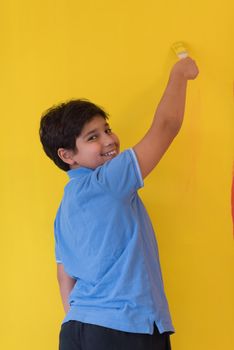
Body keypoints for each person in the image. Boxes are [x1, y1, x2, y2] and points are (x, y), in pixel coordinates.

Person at [39, 56, 199, 350]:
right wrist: (180, 73)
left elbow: (65, 277)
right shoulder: (109, 181)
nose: (109, 140)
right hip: (125, 329)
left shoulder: (65, 209)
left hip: (77, 329)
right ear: (67, 155)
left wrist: (86, 325)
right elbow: (166, 126)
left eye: (107, 129)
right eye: (93, 137)